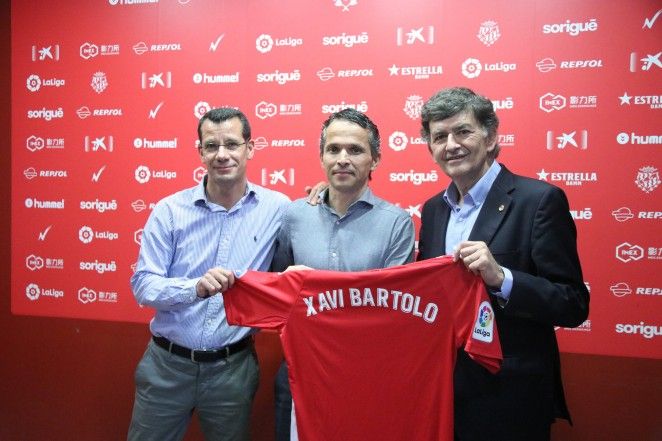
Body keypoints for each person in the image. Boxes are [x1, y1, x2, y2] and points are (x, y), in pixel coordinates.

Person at [416, 87, 590, 441]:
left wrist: (502, 278)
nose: (451, 144)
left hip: (510, 398)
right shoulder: (432, 209)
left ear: (491, 136)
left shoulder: (539, 200)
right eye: (439, 136)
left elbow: (572, 303)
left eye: (463, 131)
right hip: (444, 390)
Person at [128, 107, 290, 441]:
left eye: (232, 144)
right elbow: (143, 285)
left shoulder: (279, 208)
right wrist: (195, 288)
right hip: (166, 366)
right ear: (200, 151)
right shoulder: (169, 211)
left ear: (250, 148)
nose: (222, 154)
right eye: (211, 146)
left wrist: (322, 192)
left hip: (233, 370)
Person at [271, 108, 415, 440]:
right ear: (321, 157)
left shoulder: (397, 224)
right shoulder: (293, 216)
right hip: (299, 371)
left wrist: (313, 288)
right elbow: (276, 293)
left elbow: (394, 312)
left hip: (368, 377)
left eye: (355, 150)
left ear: (375, 159)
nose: (343, 159)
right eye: (333, 149)